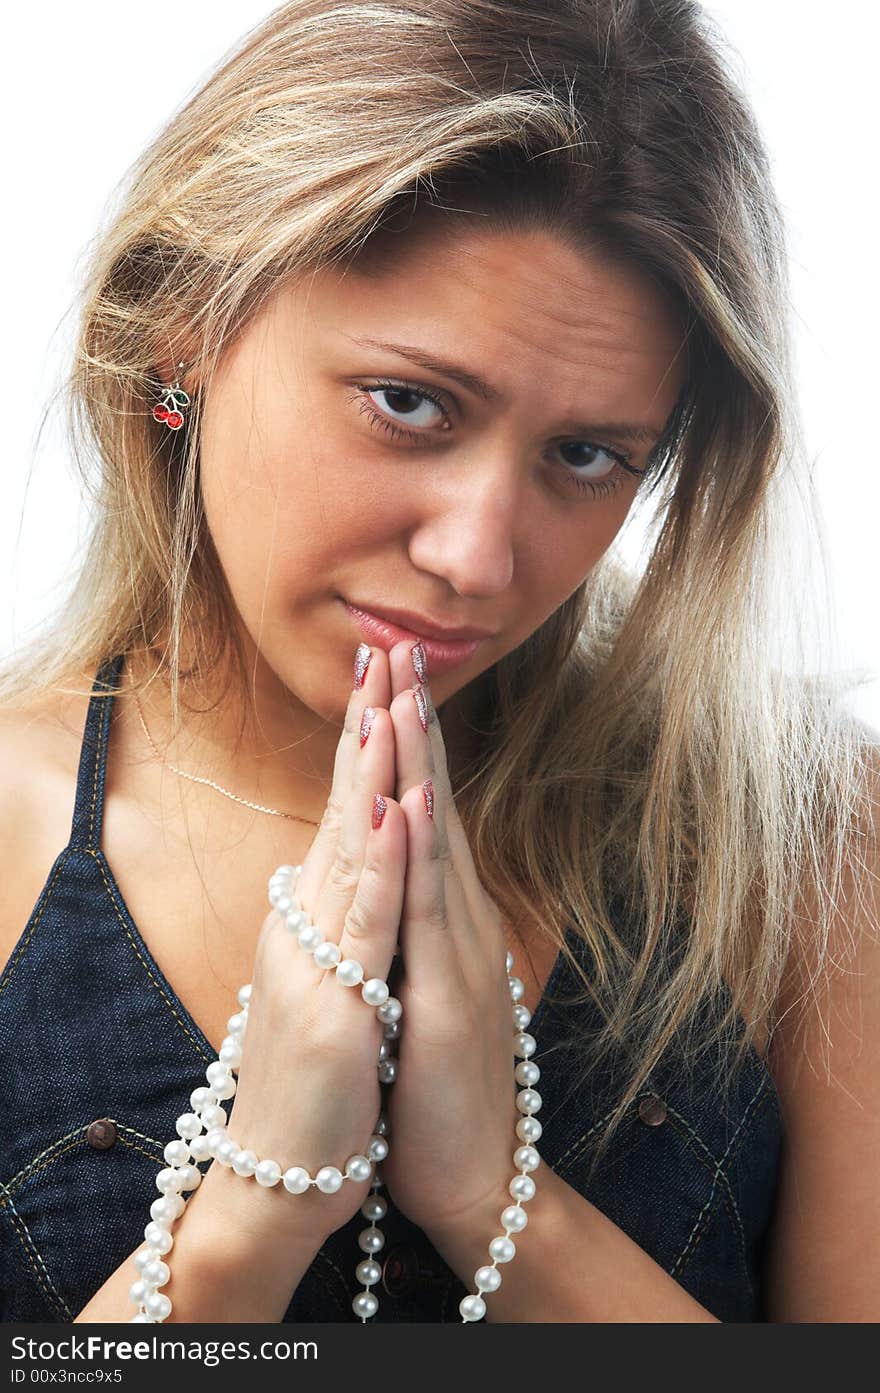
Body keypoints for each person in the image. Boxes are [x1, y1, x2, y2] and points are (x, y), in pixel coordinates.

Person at [0, 0, 877, 1326]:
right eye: (409, 403)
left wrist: (495, 1195)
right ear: (185, 330)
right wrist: (251, 1210)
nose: (478, 555)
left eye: (587, 455)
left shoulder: (809, 852)